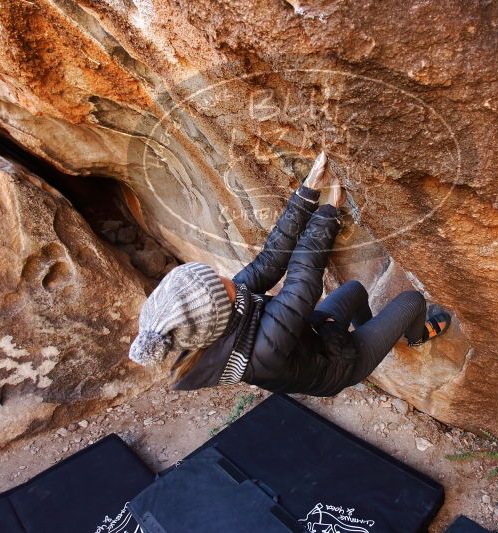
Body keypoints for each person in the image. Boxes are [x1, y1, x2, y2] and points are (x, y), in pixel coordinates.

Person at [128, 152, 450, 396]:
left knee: (354, 290)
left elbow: (270, 261)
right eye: (218, 283)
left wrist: (308, 192)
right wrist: (329, 211)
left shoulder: (224, 313)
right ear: (217, 313)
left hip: (315, 333)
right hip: (339, 365)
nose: (225, 278)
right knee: (411, 301)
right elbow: (302, 281)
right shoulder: (260, 353)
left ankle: (375, 332)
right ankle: (415, 336)